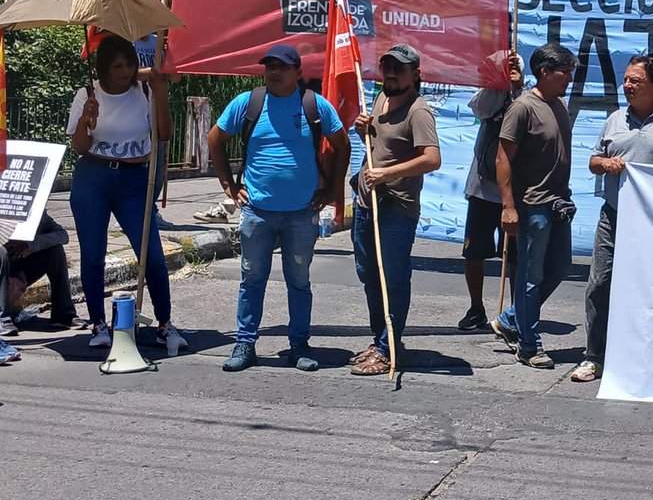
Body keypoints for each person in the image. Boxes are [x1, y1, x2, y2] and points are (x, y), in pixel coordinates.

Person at [208, 43, 349, 373]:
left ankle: (299, 345)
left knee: (298, 281)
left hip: (301, 213)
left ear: (298, 74)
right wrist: (228, 185)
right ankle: (245, 344)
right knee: (251, 279)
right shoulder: (248, 103)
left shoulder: (314, 105)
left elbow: (342, 145)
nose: (274, 72)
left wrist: (332, 188)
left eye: (282, 67)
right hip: (257, 211)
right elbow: (215, 139)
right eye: (270, 66)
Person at [569, 56, 653, 383]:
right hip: (614, 217)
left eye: (635, 81)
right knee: (600, 285)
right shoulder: (615, 118)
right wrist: (604, 165)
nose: (627, 86)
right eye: (626, 79)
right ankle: (594, 356)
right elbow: (593, 160)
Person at [67, 34, 184, 353]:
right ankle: (98, 323)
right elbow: (79, 147)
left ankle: (164, 323)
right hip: (94, 178)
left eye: (130, 64)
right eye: (117, 66)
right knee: (93, 254)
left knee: (153, 255)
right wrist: (85, 121)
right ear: (104, 67)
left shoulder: (144, 90)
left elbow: (165, 133)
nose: (125, 71)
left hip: (134, 181)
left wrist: (160, 90)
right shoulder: (88, 93)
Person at [347, 44, 441, 377]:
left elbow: (432, 158)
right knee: (369, 276)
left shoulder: (419, 111)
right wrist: (363, 130)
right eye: (387, 67)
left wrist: (387, 173)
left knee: (392, 280)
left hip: (395, 209)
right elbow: (379, 146)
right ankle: (381, 340)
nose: (390, 73)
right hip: (365, 204)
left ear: (415, 74)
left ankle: (389, 348)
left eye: (398, 69)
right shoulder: (380, 99)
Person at [489, 43, 577, 369]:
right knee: (530, 277)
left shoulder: (559, 106)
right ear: (544, 72)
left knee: (560, 268)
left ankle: (513, 319)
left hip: (558, 205)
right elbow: (502, 158)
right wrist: (508, 207)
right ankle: (529, 344)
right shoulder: (522, 108)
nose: (569, 78)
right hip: (531, 207)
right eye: (564, 72)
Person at [457, 51, 523, 332]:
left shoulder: (527, 97)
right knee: (474, 252)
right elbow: (480, 109)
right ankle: (476, 308)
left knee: (516, 256)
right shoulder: (490, 93)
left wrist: (517, 87)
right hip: (482, 187)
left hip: (514, 189)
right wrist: (499, 83)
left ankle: (515, 312)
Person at [0, 213, 85, 336]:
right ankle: (3, 318)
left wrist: (30, 245)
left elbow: (62, 235)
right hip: (2, 265)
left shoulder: (37, 215)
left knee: (56, 250)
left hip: (18, 268)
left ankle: (64, 314)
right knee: (2, 252)